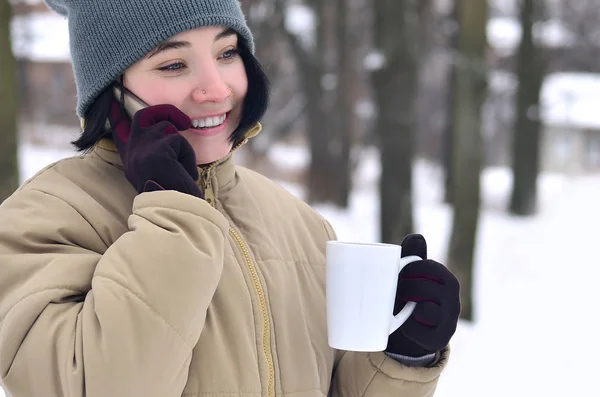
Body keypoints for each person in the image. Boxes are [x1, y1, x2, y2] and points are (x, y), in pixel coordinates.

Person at [0, 0, 461, 396]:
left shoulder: (299, 223)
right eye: (173, 64)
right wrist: (173, 213)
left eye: (227, 53)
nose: (217, 89)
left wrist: (402, 356)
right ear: (111, 90)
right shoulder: (40, 223)